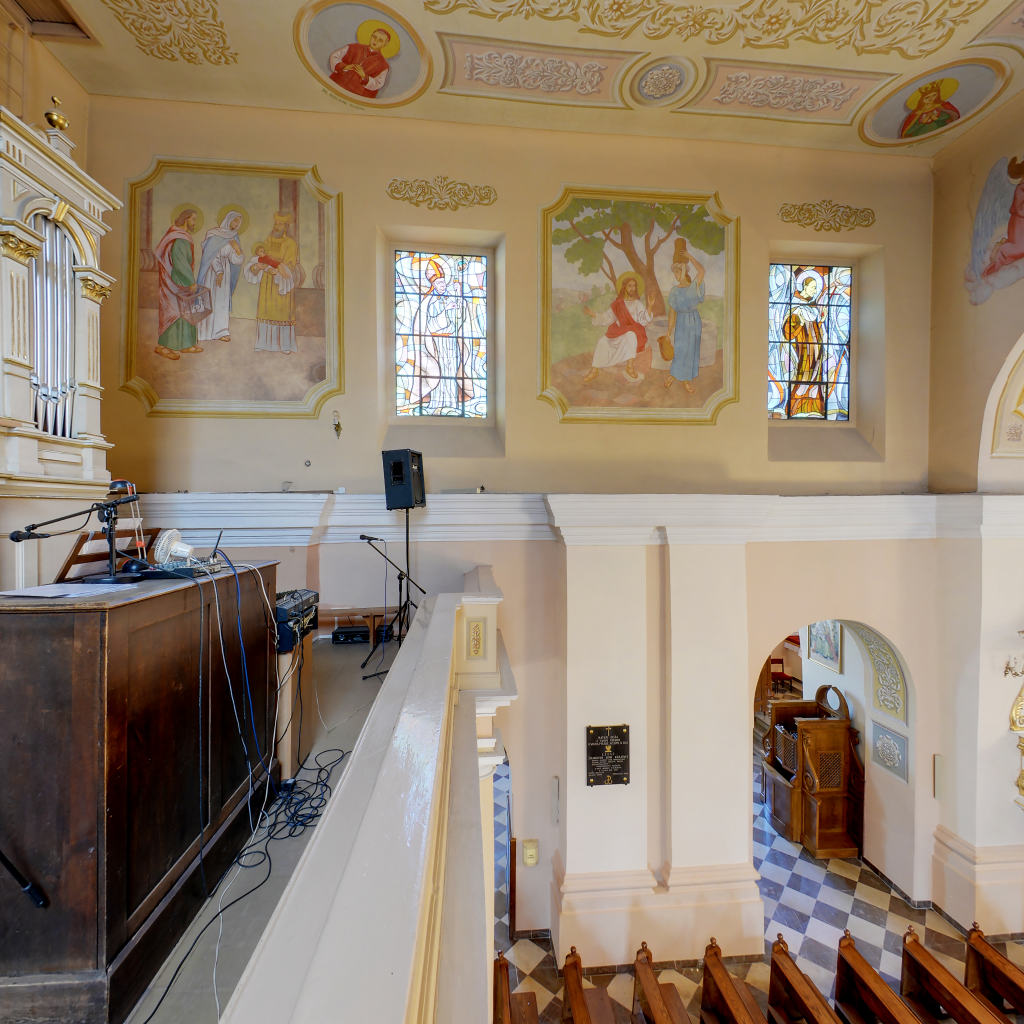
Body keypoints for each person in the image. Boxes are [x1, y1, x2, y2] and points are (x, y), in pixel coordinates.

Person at [582, 272, 653, 384]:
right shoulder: (618, 304)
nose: (632, 288)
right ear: (624, 287)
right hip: (618, 331)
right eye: (630, 286)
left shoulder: (637, 304)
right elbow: (607, 317)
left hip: (633, 332)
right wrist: (593, 314)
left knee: (630, 335)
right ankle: (594, 370)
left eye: (634, 286)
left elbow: (644, 320)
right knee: (602, 341)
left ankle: (629, 367)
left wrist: (650, 306)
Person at [243, 212, 299, 353]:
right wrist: (258, 266)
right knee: (266, 310)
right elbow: (259, 258)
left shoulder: (290, 244)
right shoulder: (267, 241)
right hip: (267, 283)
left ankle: (284, 345)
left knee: (282, 311)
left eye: (280, 224)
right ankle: (264, 344)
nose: (276, 226)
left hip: (281, 283)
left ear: (286, 227)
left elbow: (290, 265)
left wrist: (278, 270)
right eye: (275, 223)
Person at [154, 208, 201, 360]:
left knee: (185, 312)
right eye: (193, 219)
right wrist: (190, 281)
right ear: (186, 219)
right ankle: (164, 347)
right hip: (175, 281)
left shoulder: (181, 236)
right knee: (174, 312)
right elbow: (180, 263)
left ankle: (186, 344)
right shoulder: (180, 238)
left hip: (179, 280)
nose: (194, 223)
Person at [781, 267, 826, 416]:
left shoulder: (812, 308)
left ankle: (814, 407)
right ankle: (796, 406)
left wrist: (821, 321)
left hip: (815, 352)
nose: (815, 291)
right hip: (802, 352)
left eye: (816, 288)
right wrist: (799, 322)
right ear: (804, 286)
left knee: (815, 378)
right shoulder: (795, 306)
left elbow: (814, 330)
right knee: (802, 377)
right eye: (813, 287)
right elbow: (788, 332)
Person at [662, 238, 705, 394]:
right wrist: (668, 332)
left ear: (685, 270)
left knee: (691, 351)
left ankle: (686, 380)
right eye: (674, 271)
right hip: (681, 322)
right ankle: (673, 375)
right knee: (680, 350)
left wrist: (689, 256)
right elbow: (672, 313)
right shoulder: (674, 291)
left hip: (694, 321)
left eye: (678, 270)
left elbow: (702, 271)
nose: (676, 274)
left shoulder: (694, 285)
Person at [196, 210, 244, 345]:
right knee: (210, 300)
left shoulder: (234, 237)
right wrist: (219, 271)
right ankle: (205, 331)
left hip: (225, 273)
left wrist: (237, 250)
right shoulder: (214, 234)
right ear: (228, 219)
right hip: (212, 273)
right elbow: (210, 256)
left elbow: (236, 260)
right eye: (235, 220)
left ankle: (221, 331)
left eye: (239, 222)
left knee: (222, 300)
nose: (236, 224)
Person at [983, 158, 1024, 277]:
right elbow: (1020, 208)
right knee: (1019, 247)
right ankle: (1000, 256)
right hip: (1019, 223)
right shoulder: (1021, 189)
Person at [329, 26, 393, 98]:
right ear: (371, 36)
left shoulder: (383, 65)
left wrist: (364, 76)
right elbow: (334, 56)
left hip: (357, 95)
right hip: (337, 84)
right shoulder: (353, 47)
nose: (375, 41)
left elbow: (378, 83)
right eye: (374, 37)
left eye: (380, 40)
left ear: (385, 44)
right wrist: (345, 67)